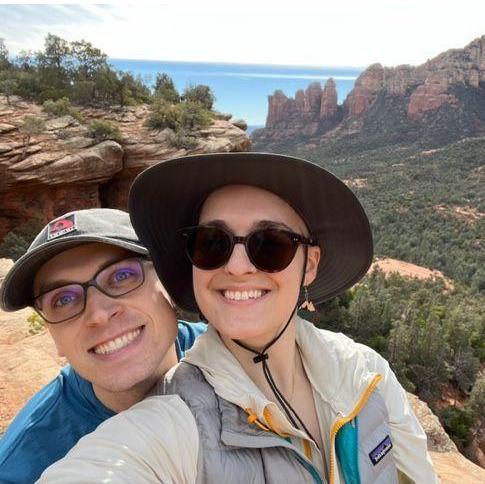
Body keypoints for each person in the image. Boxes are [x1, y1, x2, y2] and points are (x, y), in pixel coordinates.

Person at [39, 153, 437, 483]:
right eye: (213, 244)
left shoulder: (367, 375)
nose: (239, 266)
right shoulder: (173, 426)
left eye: (271, 245)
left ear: (309, 265)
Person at [0, 208, 206, 483]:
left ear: (166, 282)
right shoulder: (23, 466)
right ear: (52, 334)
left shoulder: (241, 357)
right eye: (63, 299)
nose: (98, 314)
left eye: (121, 276)